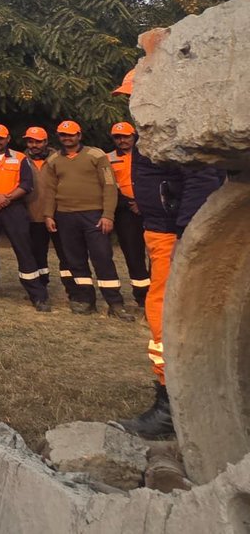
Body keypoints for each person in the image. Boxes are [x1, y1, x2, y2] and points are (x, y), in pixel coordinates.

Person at [110, 71, 223, 439]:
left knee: (165, 316)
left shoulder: (179, 129)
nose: (132, 102)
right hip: (161, 232)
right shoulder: (153, 131)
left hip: (175, 237)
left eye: (136, 94)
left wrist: (186, 238)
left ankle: (170, 407)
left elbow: (202, 179)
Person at [41, 121, 135, 320]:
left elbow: (109, 185)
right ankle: (86, 300)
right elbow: (49, 190)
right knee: (75, 260)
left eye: (71, 134)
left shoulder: (96, 155)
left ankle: (115, 303)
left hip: (94, 215)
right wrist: (48, 215)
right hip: (65, 215)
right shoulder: (53, 160)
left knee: (102, 258)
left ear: (79, 135)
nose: (67, 138)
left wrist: (107, 214)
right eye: (63, 135)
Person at [0, 124, 47, 310]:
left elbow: (27, 184)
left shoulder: (20, 158)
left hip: (14, 207)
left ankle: (36, 294)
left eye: (1, 138)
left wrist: (6, 199)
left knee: (23, 249)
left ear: (8, 139)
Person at [23, 126, 76, 300]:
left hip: (58, 214)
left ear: (46, 141)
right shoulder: (20, 159)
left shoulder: (59, 158)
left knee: (66, 254)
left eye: (38, 142)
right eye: (30, 141)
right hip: (33, 214)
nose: (34, 145)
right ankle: (40, 288)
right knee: (38, 254)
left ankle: (73, 290)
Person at [107, 122, 150, 308]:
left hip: (150, 209)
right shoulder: (108, 159)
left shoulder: (147, 154)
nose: (122, 140)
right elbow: (108, 186)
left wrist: (143, 202)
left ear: (134, 136)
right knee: (133, 254)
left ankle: (158, 294)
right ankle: (142, 296)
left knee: (157, 253)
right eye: (117, 137)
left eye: (126, 136)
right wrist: (129, 203)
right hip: (125, 212)